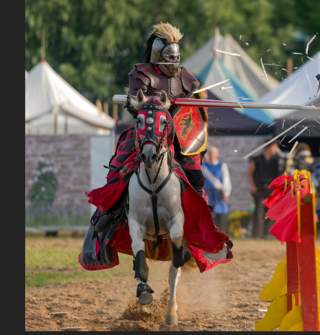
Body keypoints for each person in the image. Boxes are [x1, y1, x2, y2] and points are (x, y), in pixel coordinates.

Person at [92, 22, 207, 233]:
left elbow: (197, 90)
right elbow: (133, 105)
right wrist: (156, 111)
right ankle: (110, 212)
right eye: (169, 58)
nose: (173, 63)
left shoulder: (184, 74)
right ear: (157, 55)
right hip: (148, 131)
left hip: (178, 135)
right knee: (119, 166)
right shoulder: (142, 73)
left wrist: (193, 95)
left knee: (196, 174)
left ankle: (201, 215)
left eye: (176, 58)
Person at [247, 141, 284, 239]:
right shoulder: (256, 159)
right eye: (274, 147)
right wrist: (253, 186)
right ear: (268, 147)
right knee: (258, 212)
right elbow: (250, 173)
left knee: (271, 212)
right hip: (259, 188)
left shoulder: (278, 160)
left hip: (272, 189)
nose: (276, 150)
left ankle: (268, 235)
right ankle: (257, 235)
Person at [202, 146, 231, 234]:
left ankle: (222, 233)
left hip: (219, 194)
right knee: (207, 215)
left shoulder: (222, 165)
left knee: (220, 215)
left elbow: (226, 180)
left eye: (213, 154)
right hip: (207, 193)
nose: (212, 155)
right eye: (210, 153)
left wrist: (226, 193)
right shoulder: (204, 166)